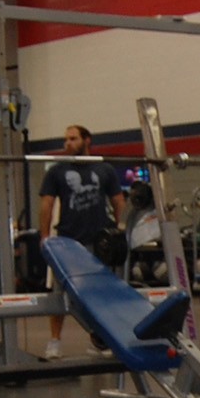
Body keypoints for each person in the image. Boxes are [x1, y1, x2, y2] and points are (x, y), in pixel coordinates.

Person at [38, 125, 127, 358]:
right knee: (59, 293)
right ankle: (55, 341)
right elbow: (46, 204)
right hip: (67, 242)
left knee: (101, 294)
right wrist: (44, 237)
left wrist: (121, 231)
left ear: (87, 140)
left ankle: (99, 341)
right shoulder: (57, 171)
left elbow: (118, 201)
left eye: (73, 139)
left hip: (99, 241)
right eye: (65, 139)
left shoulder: (104, 168)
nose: (67, 143)